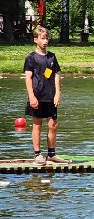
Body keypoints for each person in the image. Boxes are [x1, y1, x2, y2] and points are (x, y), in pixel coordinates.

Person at [22, 25, 60, 164]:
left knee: (53, 124)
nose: (45, 41)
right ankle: (38, 155)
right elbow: (28, 78)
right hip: (37, 96)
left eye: (47, 38)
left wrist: (57, 94)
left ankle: (51, 154)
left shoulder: (52, 57)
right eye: (42, 38)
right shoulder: (31, 58)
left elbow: (56, 75)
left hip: (50, 96)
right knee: (37, 124)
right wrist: (31, 96)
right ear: (35, 40)